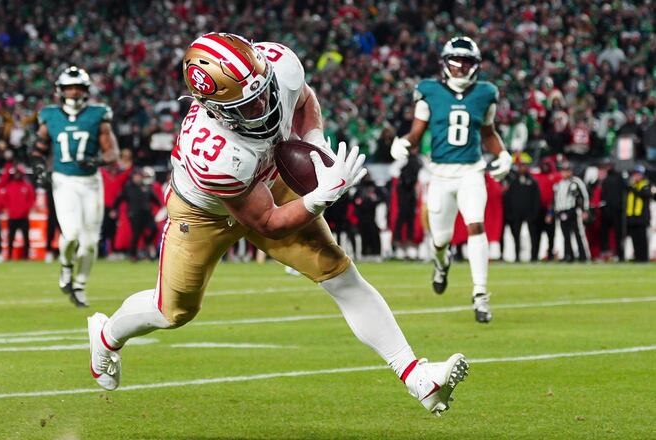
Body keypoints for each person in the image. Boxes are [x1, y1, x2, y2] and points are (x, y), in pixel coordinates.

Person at [86, 33, 468, 415]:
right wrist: (320, 197)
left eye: (263, 91)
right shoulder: (213, 152)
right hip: (204, 213)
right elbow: (266, 222)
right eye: (248, 105)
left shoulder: (278, 65)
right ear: (215, 108)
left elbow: (303, 99)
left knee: (339, 272)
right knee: (174, 311)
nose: (264, 106)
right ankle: (106, 335)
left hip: (268, 179)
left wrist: (316, 142)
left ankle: (418, 376)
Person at [391, 36, 512, 323]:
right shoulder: (429, 91)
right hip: (440, 173)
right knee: (441, 239)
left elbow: (488, 132)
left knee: (475, 225)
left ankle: (480, 294)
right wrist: (403, 144)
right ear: (444, 63)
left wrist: (504, 154)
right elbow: (417, 133)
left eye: (466, 62)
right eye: (455, 61)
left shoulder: (485, 93)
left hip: (471, 170)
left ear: (476, 65)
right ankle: (441, 263)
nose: (459, 67)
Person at [31, 66, 119, 307]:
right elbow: (38, 148)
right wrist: (38, 166)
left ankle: (79, 285)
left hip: (91, 182)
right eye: (69, 88)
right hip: (64, 180)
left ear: (86, 91)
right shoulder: (49, 115)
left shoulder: (98, 114)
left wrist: (97, 160)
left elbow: (113, 152)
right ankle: (66, 268)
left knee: (90, 242)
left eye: (78, 88)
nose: (73, 93)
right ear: (60, 91)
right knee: (71, 235)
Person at [114, 168, 161, 261]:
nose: (138, 178)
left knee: (154, 229)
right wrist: (114, 209)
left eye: (139, 176)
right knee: (136, 235)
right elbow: (120, 198)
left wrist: (160, 205)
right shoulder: (128, 187)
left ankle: (147, 243)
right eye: (136, 176)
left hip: (147, 213)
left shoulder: (146, 186)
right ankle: (133, 254)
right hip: (134, 214)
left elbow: (153, 198)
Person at [502, 157, 540, 262]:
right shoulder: (514, 182)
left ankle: (534, 257)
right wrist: (510, 213)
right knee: (516, 236)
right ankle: (517, 256)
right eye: (520, 166)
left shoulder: (532, 182)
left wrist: (534, 213)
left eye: (524, 166)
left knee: (533, 236)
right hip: (516, 214)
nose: (522, 168)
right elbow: (509, 199)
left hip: (529, 213)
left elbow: (536, 199)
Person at [551, 162, 590, 262]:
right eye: (563, 171)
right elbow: (555, 199)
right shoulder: (558, 184)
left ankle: (583, 256)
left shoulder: (576, 182)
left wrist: (585, 210)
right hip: (561, 211)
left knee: (578, 233)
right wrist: (555, 212)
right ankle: (569, 256)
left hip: (573, 210)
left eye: (567, 171)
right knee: (565, 235)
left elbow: (584, 196)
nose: (565, 173)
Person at [0, 163, 36, 260]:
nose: (17, 175)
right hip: (12, 216)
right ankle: (9, 255)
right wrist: (10, 209)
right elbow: (5, 200)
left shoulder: (27, 186)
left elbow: (32, 199)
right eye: (16, 173)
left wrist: (26, 209)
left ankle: (26, 256)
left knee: (26, 237)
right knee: (11, 237)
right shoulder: (9, 186)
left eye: (19, 173)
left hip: (24, 216)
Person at [625, 166, 652, 262]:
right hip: (631, 216)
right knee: (634, 238)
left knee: (642, 238)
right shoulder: (630, 185)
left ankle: (644, 258)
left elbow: (645, 195)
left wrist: (632, 188)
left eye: (638, 174)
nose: (636, 176)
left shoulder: (646, 184)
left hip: (642, 216)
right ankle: (637, 257)